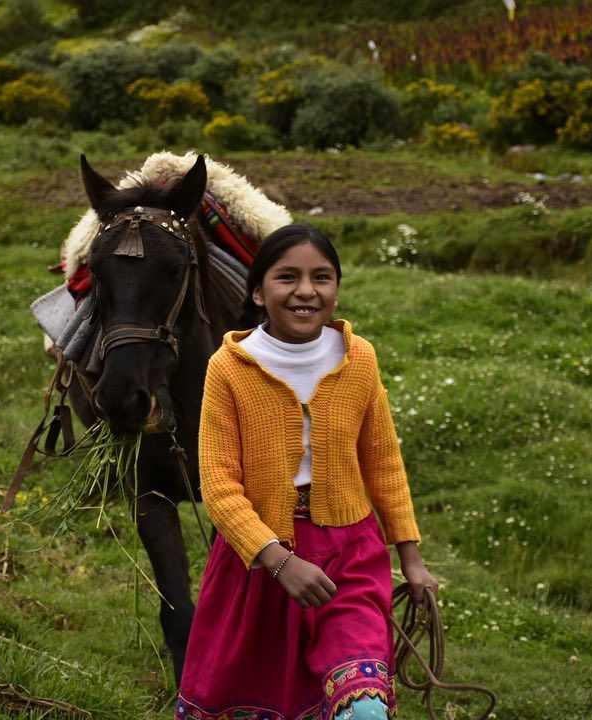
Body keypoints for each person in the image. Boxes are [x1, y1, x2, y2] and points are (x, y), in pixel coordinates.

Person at [175, 224, 437, 720]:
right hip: (257, 562)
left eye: (322, 277)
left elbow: (382, 459)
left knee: (364, 709)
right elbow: (220, 485)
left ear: (336, 289)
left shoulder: (358, 359)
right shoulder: (229, 368)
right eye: (286, 277)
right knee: (259, 701)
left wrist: (411, 555)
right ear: (258, 291)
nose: (305, 291)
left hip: (351, 555)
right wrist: (277, 561)